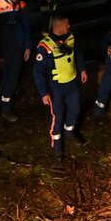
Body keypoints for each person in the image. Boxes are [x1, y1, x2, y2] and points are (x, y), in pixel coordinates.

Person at [33, 14, 88, 160]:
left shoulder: (70, 37)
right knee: (57, 116)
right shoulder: (45, 46)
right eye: (66, 24)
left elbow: (78, 53)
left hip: (71, 82)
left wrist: (82, 69)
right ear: (58, 27)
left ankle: (69, 132)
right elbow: (38, 72)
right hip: (55, 86)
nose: (69, 27)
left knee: (75, 109)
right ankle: (57, 145)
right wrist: (44, 93)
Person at [0, 0, 32, 123]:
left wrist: (27, 46)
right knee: (1, 80)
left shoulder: (21, 6)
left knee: (12, 79)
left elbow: (27, 27)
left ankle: (6, 108)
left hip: (17, 48)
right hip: (4, 50)